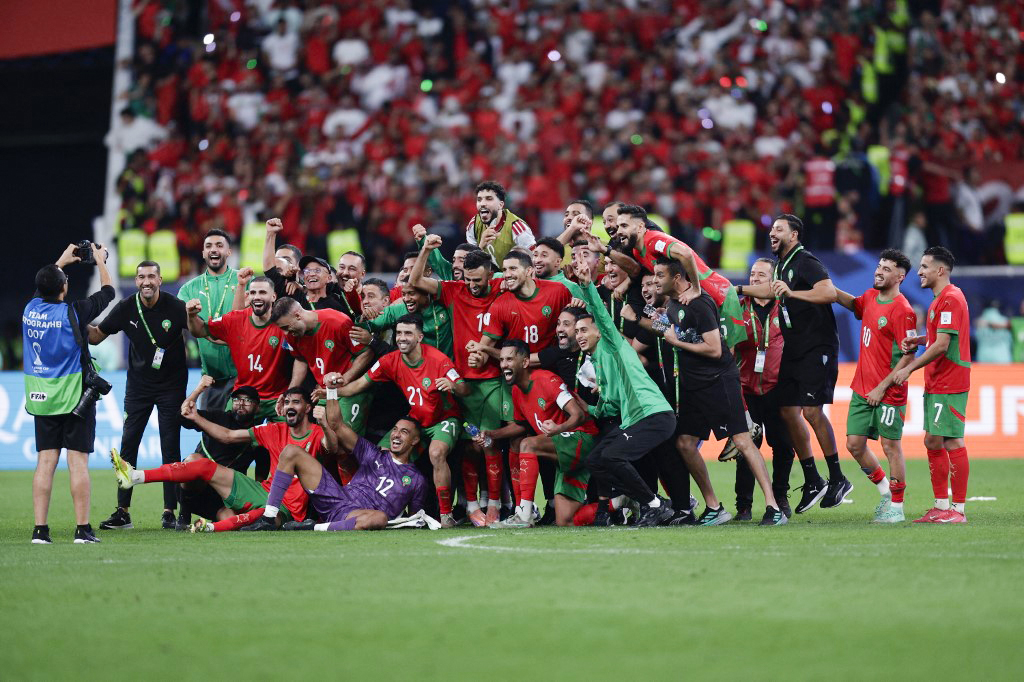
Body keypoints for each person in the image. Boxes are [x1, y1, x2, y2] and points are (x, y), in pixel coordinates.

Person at [655, 259, 787, 526]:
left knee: (742, 441)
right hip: (694, 386)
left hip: (718, 382)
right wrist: (650, 320)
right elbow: (672, 331)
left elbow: (715, 349)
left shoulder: (701, 303)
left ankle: (774, 507)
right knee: (684, 443)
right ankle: (714, 506)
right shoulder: (672, 305)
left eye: (660, 275)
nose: (656, 280)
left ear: (678, 277)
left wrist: (675, 341)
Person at [736, 214, 851, 513]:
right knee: (788, 410)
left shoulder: (804, 260)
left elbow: (828, 292)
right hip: (796, 349)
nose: (772, 233)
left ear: (794, 235)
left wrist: (792, 293)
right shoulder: (784, 266)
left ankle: (837, 477)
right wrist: (738, 290)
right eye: (771, 229)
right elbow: (770, 291)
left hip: (817, 346)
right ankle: (813, 478)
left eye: (779, 229)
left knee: (811, 411)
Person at [112, 388, 328, 531]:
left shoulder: (319, 434)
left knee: (263, 517)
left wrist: (328, 412)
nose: (290, 406)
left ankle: (211, 527)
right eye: (287, 401)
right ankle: (134, 476)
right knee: (202, 463)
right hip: (262, 491)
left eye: (296, 402)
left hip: (288, 508)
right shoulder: (273, 430)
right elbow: (228, 436)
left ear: (308, 408)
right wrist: (196, 417)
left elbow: (335, 447)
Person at [335, 314, 467, 527]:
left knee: (436, 453)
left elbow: (464, 388)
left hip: (444, 419)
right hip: (416, 419)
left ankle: (446, 516)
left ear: (420, 337)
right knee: (381, 457)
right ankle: (375, 510)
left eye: (408, 333)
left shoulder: (439, 360)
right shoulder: (390, 360)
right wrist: (331, 391)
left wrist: (453, 386)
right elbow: (359, 385)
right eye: (398, 333)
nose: (402, 338)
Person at [410, 240, 507, 526]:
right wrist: (425, 250)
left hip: (492, 381)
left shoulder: (502, 287)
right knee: (466, 446)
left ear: (491, 275)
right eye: (468, 279)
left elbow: (526, 273)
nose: (472, 285)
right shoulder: (454, 292)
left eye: (478, 280)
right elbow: (415, 280)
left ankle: (496, 505)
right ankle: (472, 506)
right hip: (462, 384)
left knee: (489, 443)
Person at [575, 261, 676, 527]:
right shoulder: (598, 365)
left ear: (599, 331)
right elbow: (610, 406)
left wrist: (587, 287)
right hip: (636, 419)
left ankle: (655, 504)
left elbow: (601, 314)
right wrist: (588, 409)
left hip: (653, 414)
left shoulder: (614, 346)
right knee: (596, 460)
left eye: (584, 330)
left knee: (612, 456)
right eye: (577, 332)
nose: (579, 336)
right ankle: (648, 500)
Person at [25, 242, 114, 544]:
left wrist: (61, 262)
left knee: (45, 463)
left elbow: (45, 283)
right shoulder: (73, 313)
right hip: (75, 397)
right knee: (78, 463)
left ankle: (40, 530)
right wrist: (101, 261)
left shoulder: (30, 310)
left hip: (42, 398)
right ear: (64, 288)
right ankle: (82, 530)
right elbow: (108, 293)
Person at [89, 260, 189, 531]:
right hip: (139, 387)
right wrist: (71, 322)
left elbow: (202, 332)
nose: (146, 281)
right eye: (141, 277)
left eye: (151, 276)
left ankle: (170, 511)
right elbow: (97, 336)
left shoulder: (176, 307)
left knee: (170, 446)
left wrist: (196, 317)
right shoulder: (125, 308)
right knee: (128, 445)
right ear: (135, 282)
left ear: (160, 279)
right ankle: (123, 512)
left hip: (172, 386)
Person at [228, 403, 428, 532]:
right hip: (336, 498)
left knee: (380, 517)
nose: (396, 435)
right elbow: (338, 425)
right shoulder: (373, 453)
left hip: (358, 516)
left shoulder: (417, 480)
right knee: (291, 451)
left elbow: (413, 519)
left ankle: (313, 528)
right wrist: (331, 391)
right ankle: (269, 518)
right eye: (394, 430)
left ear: (415, 440)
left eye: (404, 432)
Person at [833, 250, 918, 522]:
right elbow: (851, 303)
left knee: (890, 446)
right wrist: (825, 284)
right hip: (862, 387)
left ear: (900, 277)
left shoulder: (903, 310)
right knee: (854, 445)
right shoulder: (869, 298)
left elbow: (909, 355)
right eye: (878, 266)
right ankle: (885, 491)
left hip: (889, 391)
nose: (878, 271)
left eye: (886, 268)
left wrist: (882, 387)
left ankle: (897, 506)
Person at [480, 341, 597, 528]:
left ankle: (524, 514)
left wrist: (558, 429)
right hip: (564, 451)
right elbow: (521, 425)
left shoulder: (547, 380)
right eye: (502, 360)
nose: (504, 364)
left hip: (582, 438)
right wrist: (491, 434)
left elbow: (579, 414)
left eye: (510, 359)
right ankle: (618, 503)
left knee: (526, 444)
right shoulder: (517, 391)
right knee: (564, 520)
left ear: (525, 362)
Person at [894, 246, 972, 523]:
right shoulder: (941, 300)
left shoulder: (950, 298)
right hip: (939, 379)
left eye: (925, 266)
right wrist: (918, 340)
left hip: (950, 378)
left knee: (951, 440)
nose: (919, 272)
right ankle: (941, 505)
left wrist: (909, 369)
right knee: (933, 439)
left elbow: (943, 344)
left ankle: (958, 510)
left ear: (940, 270)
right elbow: (937, 337)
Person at [729, 258, 795, 519]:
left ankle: (780, 497)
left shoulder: (787, 307)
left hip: (778, 390)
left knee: (783, 447)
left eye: (761, 275)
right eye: (752, 274)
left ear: (774, 279)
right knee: (746, 449)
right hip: (745, 390)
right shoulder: (737, 306)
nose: (754, 278)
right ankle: (743, 506)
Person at [186, 273, 302, 422]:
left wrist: (290, 394)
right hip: (243, 397)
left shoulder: (284, 323)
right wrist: (191, 316)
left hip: (277, 397)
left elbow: (301, 358)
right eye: (253, 292)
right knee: (224, 436)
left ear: (274, 297)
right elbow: (200, 330)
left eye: (262, 292)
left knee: (288, 441)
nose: (257, 297)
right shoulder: (236, 320)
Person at [269, 297, 374, 432]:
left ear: (297, 315)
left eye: (285, 327)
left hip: (352, 390)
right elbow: (301, 360)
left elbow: (366, 353)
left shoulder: (337, 322)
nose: (285, 333)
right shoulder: (291, 334)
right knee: (325, 441)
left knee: (345, 440)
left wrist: (345, 379)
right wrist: (288, 393)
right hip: (325, 392)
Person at [175, 378, 268, 527]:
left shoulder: (258, 437)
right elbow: (183, 417)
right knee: (193, 460)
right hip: (195, 488)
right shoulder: (217, 417)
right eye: (237, 399)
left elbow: (261, 478)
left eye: (247, 400)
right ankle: (184, 514)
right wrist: (198, 390)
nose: (241, 404)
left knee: (233, 522)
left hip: (223, 497)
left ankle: (211, 523)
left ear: (257, 407)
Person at [176, 229, 239, 410]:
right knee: (210, 435)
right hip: (209, 379)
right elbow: (178, 328)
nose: (213, 249)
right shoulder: (188, 289)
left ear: (229, 251)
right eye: (208, 246)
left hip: (241, 377)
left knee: (237, 435)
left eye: (219, 245)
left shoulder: (243, 281)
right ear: (203, 253)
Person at [465, 180, 536, 266]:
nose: (482, 204)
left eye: (489, 199)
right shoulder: (474, 224)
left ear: (501, 205)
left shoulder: (517, 228)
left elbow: (535, 261)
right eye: (479, 200)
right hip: (486, 277)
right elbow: (469, 266)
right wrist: (480, 246)